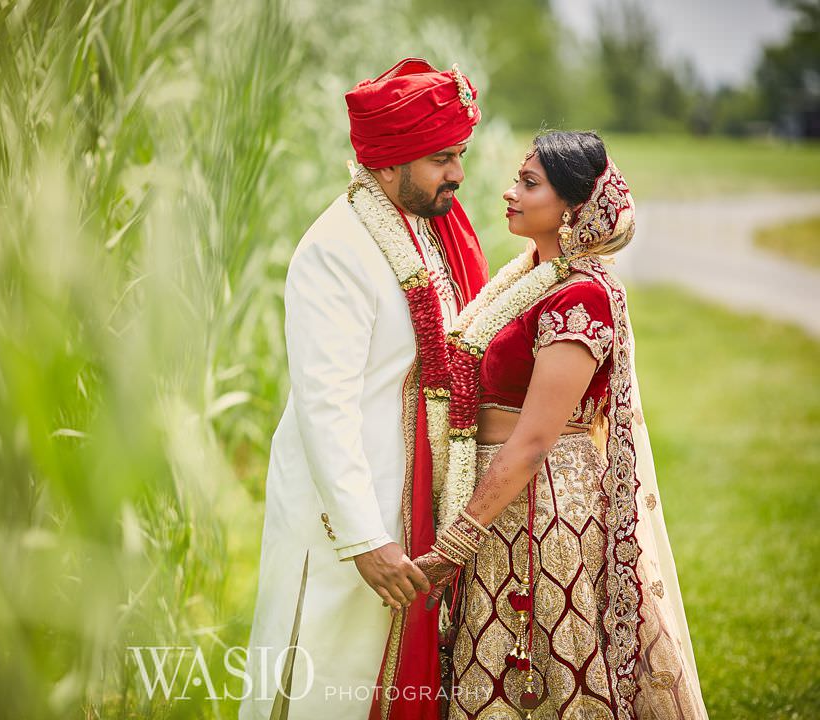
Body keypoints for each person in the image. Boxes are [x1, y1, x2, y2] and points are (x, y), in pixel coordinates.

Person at [409, 131, 708, 719]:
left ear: (573, 206)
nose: (509, 194)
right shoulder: (527, 279)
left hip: (546, 507)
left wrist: (456, 540)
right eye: (517, 180)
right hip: (503, 503)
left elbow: (534, 440)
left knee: (546, 665)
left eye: (529, 184)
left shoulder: (582, 298)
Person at [239, 58, 490, 720]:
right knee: (326, 691)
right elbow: (326, 407)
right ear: (389, 161)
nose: (457, 175)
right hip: (349, 520)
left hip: (413, 505)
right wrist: (363, 539)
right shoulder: (337, 250)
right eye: (441, 158)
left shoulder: (430, 232)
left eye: (459, 154)